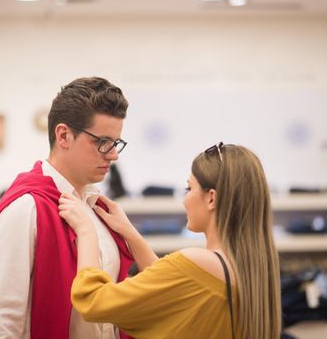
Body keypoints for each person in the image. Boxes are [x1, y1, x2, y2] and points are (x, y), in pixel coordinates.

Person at [59, 142, 282, 339]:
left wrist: (87, 232)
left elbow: (92, 301)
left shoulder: (195, 261)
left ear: (211, 198)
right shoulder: (252, 271)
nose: (185, 199)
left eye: (189, 188)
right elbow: (174, 287)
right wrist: (130, 233)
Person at [0, 77, 134, 339]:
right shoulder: (25, 209)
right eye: (103, 142)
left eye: (116, 143)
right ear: (63, 135)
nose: (113, 155)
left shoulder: (99, 210)